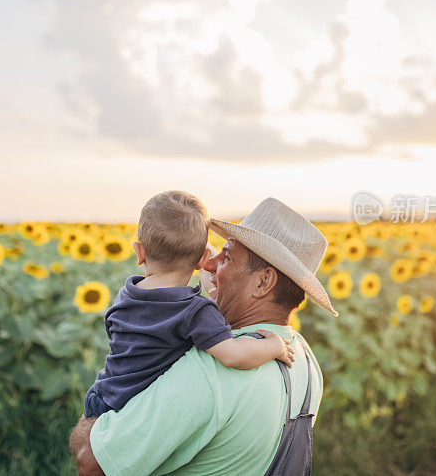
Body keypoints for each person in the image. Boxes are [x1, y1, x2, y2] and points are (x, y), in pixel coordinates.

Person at [69, 197, 339, 475]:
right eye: (209, 255)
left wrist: (92, 420)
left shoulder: (211, 372)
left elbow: (92, 462)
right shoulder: (304, 360)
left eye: (227, 257)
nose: (208, 265)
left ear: (263, 282)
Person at [82, 190, 295, 419]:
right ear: (204, 260)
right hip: (131, 409)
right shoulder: (195, 312)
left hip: (101, 396)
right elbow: (234, 356)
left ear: (140, 252)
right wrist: (276, 347)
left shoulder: (126, 295)